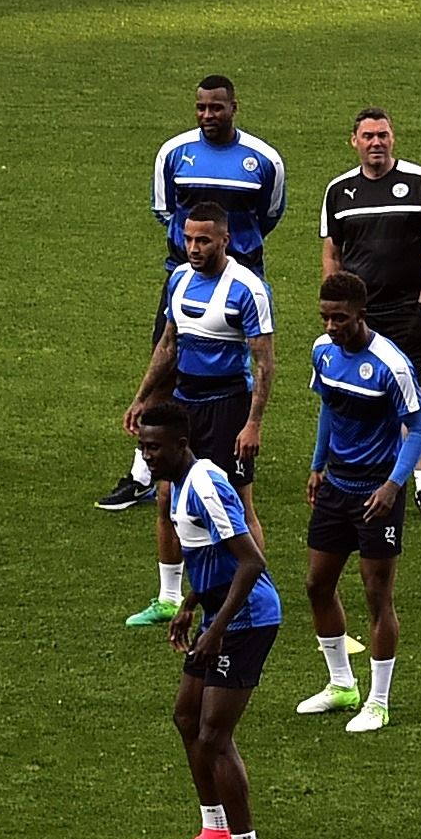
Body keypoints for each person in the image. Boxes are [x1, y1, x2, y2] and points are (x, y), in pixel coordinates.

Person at [102, 77, 289, 511]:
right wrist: (193, 256)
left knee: (235, 369)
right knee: (167, 366)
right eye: (201, 108)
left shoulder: (262, 160)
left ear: (233, 108)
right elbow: (165, 210)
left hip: (239, 277)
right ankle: (145, 469)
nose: (208, 116)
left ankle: (228, 452)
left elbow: (269, 214)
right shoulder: (174, 153)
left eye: (216, 108)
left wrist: (231, 253)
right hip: (181, 278)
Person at [144, 404, 279, 839]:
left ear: (181, 445)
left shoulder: (205, 484)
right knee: (186, 718)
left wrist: (217, 629)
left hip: (245, 619)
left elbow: (250, 561)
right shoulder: (180, 484)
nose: (147, 456)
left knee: (215, 735)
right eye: (142, 448)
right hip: (217, 613)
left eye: (154, 447)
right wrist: (189, 604)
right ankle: (216, 834)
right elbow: (211, 556)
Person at [127, 205, 274, 627]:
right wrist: (142, 398)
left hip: (228, 404)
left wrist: (253, 423)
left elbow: (264, 364)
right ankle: (169, 597)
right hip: (185, 402)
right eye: (189, 239)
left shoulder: (248, 289)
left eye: (203, 240)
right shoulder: (178, 279)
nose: (193, 247)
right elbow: (169, 344)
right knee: (166, 497)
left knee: (239, 503)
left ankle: (255, 591)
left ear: (225, 240)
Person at [296, 273, 421, 729]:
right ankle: (340, 683)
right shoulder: (323, 351)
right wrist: (317, 466)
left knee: (377, 594)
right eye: (326, 317)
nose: (332, 326)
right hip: (337, 484)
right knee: (317, 584)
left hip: (377, 490)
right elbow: (329, 408)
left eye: (341, 318)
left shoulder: (391, 365)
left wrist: (392, 485)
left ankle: (379, 699)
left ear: (361, 314)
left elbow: (420, 430)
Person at [317, 106, 421, 522]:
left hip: (405, 311)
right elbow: (331, 253)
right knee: (349, 392)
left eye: (383, 135)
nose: (376, 143)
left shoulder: (419, 182)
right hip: (359, 314)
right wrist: (336, 306)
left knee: (417, 394)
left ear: (393, 138)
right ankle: (353, 469)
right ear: (354, 141)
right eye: (368, 136)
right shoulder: (339, 191)